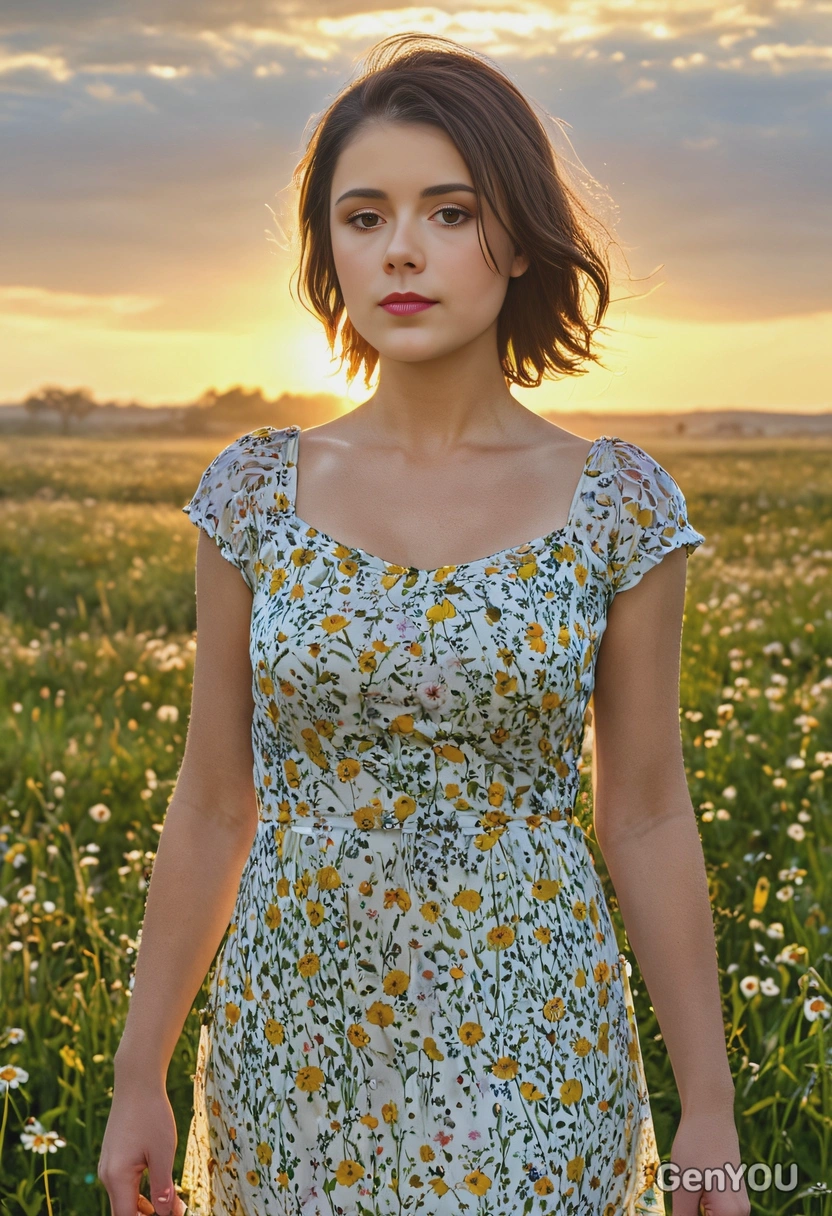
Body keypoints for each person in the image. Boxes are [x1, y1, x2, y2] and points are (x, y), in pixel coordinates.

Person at [98, 32, 749, 1216]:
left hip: (538, 1039)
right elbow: (211, 797)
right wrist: (139, 1071)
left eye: (448, 212)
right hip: (292, 1039)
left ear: (517, 237)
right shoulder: (254, 493)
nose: (401, 248)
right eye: (364, 216)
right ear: (327, 249)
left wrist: (707, 1102)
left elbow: (646, 807)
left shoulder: (620, 504)